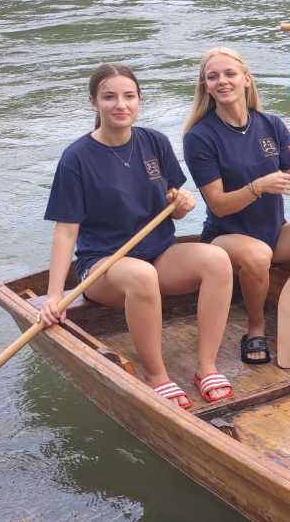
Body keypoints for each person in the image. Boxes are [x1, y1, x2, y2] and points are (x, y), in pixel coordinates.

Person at [40, 64, 235, 409]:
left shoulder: (154, 142)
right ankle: (156, 375)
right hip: (105, 267)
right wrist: (54, 296)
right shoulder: (76, 158)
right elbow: (66, 231)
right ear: (93, 103)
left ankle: (206, 367)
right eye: (109, 97)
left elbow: (172, 202)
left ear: (139, 100)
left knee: (217, 260)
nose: (121, 105)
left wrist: (180, 204)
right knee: (142, 275)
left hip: (158, 253)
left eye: (129, 96)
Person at [182, 47, 290, 366]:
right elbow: (218, 206)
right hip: (225, 238)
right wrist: (259, 186)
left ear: (246, 79)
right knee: (257, 256)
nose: (222, 81)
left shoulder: (271, 124)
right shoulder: (199, 137)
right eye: (212, 77)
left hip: (273, 232)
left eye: (230, 74)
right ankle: (255, 327)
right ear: (205, 87)